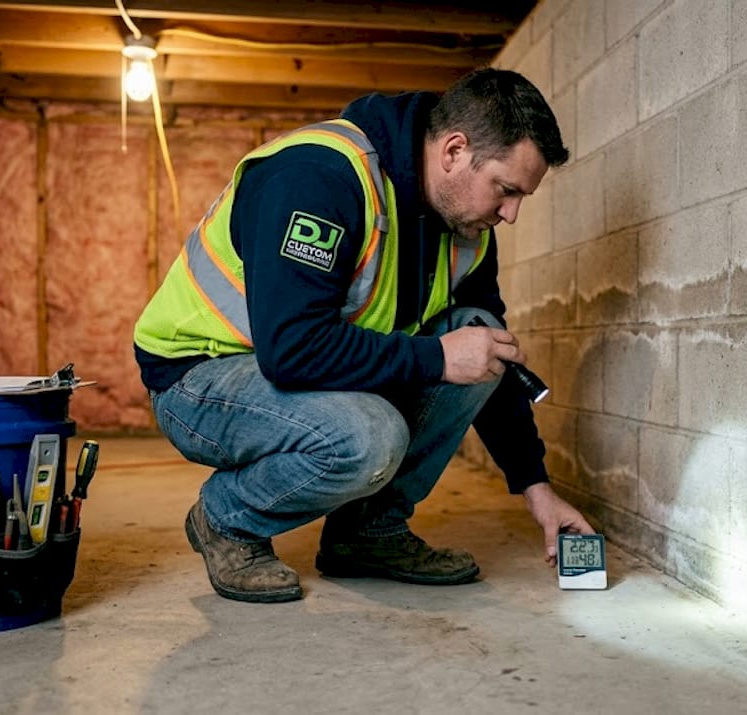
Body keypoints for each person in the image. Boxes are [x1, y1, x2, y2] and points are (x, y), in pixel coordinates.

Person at [133, 68, 593, 603]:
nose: (511, 214)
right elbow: (292, 351)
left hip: (302, 373)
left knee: (480, 336)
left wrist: (536, 489)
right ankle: (228, 519)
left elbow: (486, 358)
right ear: (454, 151)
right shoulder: (320, 177)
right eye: (506, 190)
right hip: (198, 377)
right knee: (367, 437)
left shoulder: (467, 228)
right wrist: (436, 359)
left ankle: (366, 534)